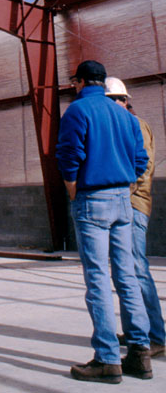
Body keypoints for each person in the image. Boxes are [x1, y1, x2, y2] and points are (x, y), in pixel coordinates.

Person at [56, 60, 153, 383]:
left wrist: (72, 188)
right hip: (122, 201)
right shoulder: (126, 116)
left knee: (97, 279)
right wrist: (125, 187)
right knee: (127, 276)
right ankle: (140, 353)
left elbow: (68, 154)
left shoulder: (77, 111)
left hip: (92, 200)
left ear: (80, 82)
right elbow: (141, 159)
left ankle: (107, 359)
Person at [105, 76, 165, 357]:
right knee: (124, 271)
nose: (111, 106)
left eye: (115, 100)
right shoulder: (122, 125)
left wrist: (122, 195)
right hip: (125, 204)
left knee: (137, 270)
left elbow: (142, 168)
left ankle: (156, 336)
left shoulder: (136, 125)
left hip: (133, 205)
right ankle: (135, 331)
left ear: (125, 101)